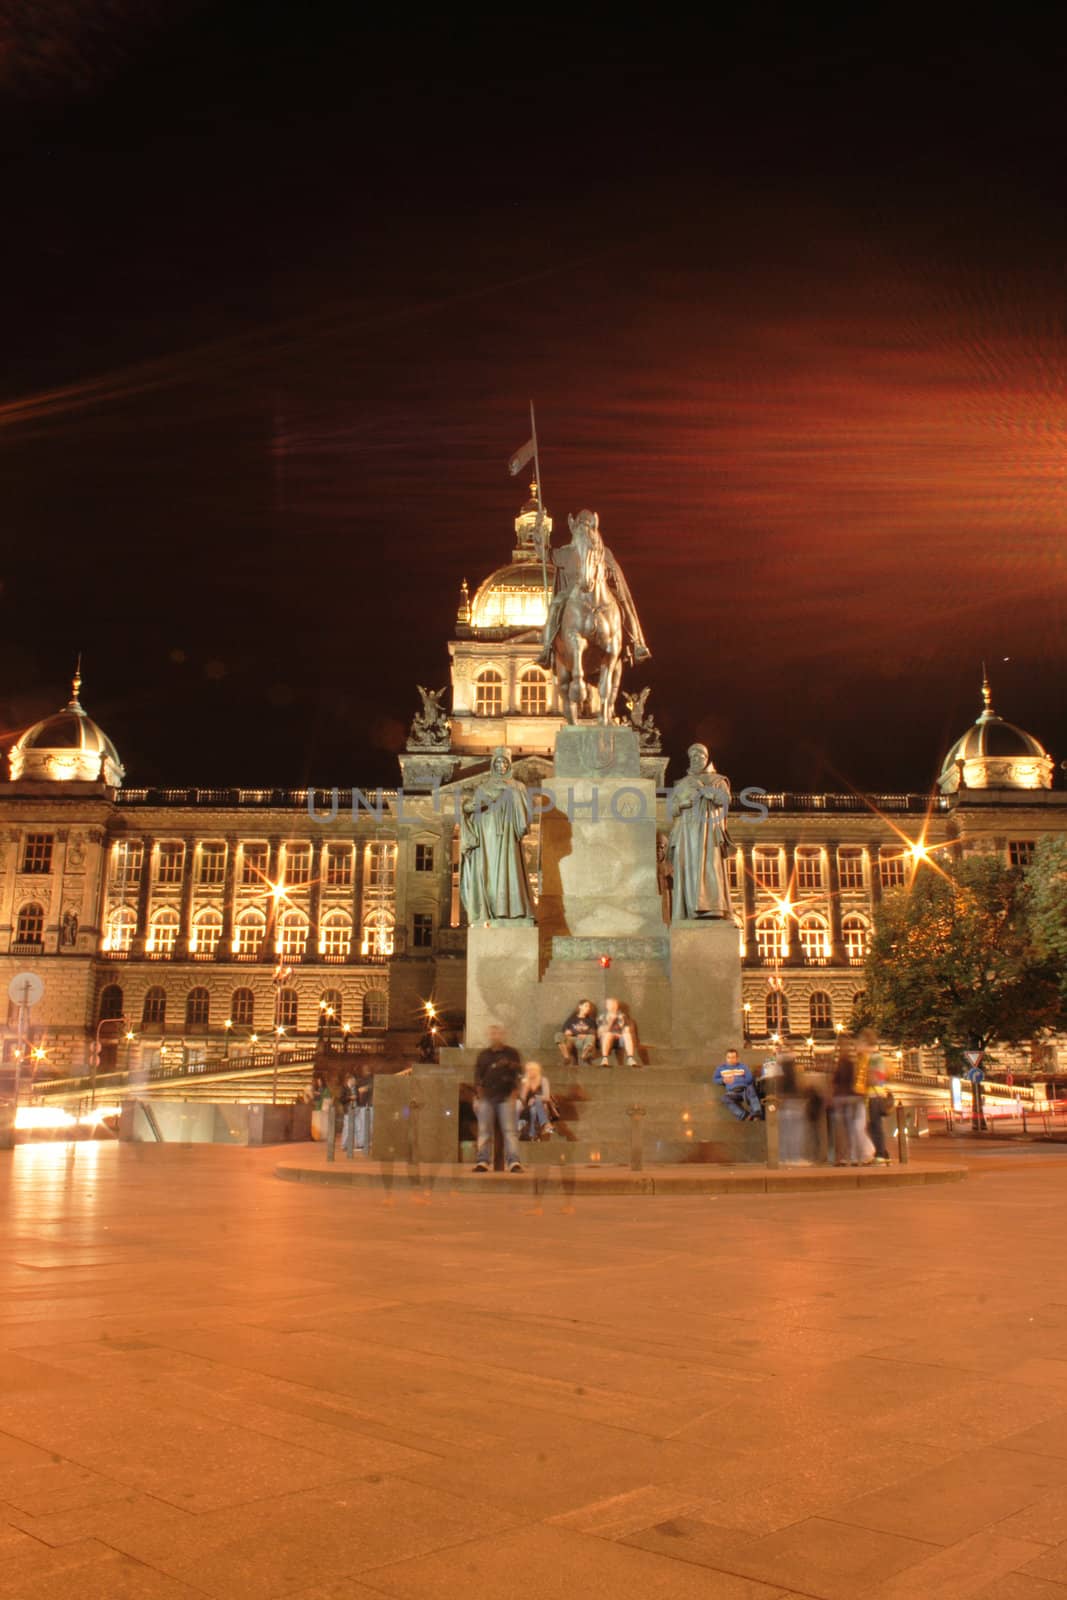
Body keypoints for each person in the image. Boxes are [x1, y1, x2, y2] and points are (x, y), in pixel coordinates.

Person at [473, 1024, 523, 1173]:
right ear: (489, 1035)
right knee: (484, 1131)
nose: (496, 1036)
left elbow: (518, 1072)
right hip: (487, 1097)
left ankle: (513, 1162)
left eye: (498, 1033)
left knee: (510, 1131)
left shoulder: (512, 1053)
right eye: (493, 1033)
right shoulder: (483, 1055)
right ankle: (483, 1160)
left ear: (503, 1035)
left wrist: (514, 1094)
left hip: (506, 1096)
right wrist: (480, 1095)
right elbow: (478, 1076)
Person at [713, 1048, 762, 1120]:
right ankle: (744, 1115)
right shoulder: (721, 1068)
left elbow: (750, 1078)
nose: (731, 1059)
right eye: (728, 1057)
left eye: (733, 1057)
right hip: (733, 1092)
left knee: (751, 1088)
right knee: (724, 1098)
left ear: (737, 1058)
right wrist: (723, 1080)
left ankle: (757, 1112)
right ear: (726, 1058)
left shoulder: (743, 1066)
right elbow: (715, 1079)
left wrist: (738, 1079)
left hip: (745, 1090)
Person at [517, 1061, 555, 1141]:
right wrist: (525, 1088)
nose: (531, 1072)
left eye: (533, 1069)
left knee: (536, 1104)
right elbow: (522, 1100)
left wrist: (535, 1098)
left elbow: (547, 1097)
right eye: (529, 1070)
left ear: (537, 1070)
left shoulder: (543, 1080)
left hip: (542, 1107)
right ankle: (546, 1125)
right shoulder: (524, 1082)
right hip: (527, 1108)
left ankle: (533, 1133)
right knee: (531, 1109)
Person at [597, 997, 639, 1068]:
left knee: (627, 1035)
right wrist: (611, 1021)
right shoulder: (602, 1017)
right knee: (608, 1034)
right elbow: (600, 1032)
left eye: (614, 1004)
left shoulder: (623, 1016)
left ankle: (630, 1058)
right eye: (610, 1004)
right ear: (607, 1006)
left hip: (620, 1039)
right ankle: (605, 1059)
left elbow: (627, 1029)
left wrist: (621, 1034)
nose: (613, 1006)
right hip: (606, 1040)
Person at [867, 1063, 894, 1164]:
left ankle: (881, 1153)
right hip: (874, 1098)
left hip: (874, 1098)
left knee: (876, 1127)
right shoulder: (879, 1070)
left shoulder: (876, 1063)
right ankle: (882, 1152)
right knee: (874, 1127)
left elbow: (873, 1081)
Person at [558, 999, 598, 1066]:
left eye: (589, 1007)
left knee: (591, 1037)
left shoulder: (590, 1020)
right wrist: (577, 1033)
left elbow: (593, 1032)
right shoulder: (571, 1019)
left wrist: (577, 1033)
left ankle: (584, 1055)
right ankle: (566, 1057)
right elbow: (565, 1031)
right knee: (558, 1035)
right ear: (580, 1006)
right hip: (571, 1040)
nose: (588, 1008)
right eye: (586, 1006)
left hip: (582, 1041)